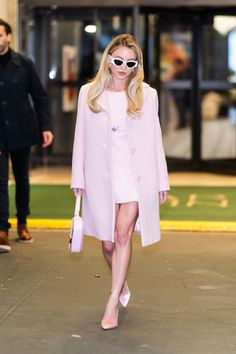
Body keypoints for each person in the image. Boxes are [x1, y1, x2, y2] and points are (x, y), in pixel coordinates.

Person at [71, 34, 169, 330]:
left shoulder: (146, 94)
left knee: (123, 234)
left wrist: (161, 179)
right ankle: (121, 282)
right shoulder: (89, 92)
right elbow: (81, 138)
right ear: (108, 60)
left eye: (130, 62)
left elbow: (155, 138)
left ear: (137, 65)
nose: (123, 67)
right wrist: (78, 176)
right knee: (108, 242)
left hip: (136, 177)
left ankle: (112, 300)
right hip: (101, 176)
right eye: (118, 61)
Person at [0, 19, 53, 253]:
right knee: (0, 181)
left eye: (0, 35)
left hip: (22, 130)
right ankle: (2, 229)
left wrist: (46, 127)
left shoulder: (24, 63)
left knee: (22, 179)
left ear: (8, 37)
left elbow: (39, 97)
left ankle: (22, 222)